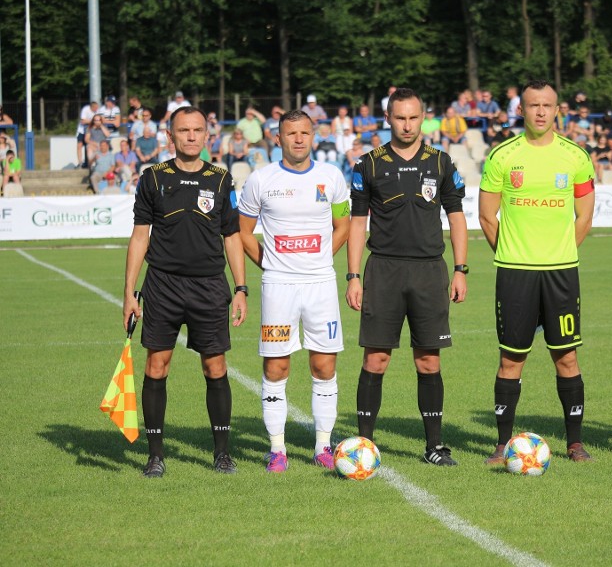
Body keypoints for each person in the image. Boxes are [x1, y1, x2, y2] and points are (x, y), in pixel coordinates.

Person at [346, 87, 467, 466]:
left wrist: (461, 269)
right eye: (400, 117)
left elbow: (457, 218)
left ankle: (434, 445)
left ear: (423, 117)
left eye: (414, 117)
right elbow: (356, 223)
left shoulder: (442, 163)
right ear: (388, 119)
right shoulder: (368, 164)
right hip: (383, 271)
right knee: (376, 359)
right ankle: (365, 445)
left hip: (430, 271)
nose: (407, 124)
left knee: (429, 361)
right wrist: (352, 275)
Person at [124, 106, 247, 478]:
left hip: (210, 285)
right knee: (156, 366)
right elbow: (139, 236)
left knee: (215, 366)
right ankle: (155, 454)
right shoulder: (153, 178)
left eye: (197, 130)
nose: (191, 136)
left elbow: (232, 237)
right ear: (170, 136)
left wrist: (240, 289)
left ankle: (222, 453)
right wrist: (129, 292)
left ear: (207, 135)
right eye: (183, 131)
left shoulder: (222, 180)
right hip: (162, 285)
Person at [479, 79, 596, 465]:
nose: (540, 112)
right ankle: (502, 444)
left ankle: (575, 444)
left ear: (558, 109)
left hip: (561, 272)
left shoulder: (576, 157)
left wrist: (558, 251)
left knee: (567, 357)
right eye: (533, 106)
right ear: (522, 110)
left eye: (547, 105)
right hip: (515, 273)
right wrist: (514, 252)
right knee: (511, 359)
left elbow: (585, 217)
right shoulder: (501, 156)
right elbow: (486, 214)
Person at [238, 109, 350, 473]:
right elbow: (243, 233)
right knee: (276, 366)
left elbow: (343, 225)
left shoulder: (331, 177)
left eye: (305, 132)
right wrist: (270, 265)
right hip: (278, 288)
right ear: (278, 139)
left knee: (324, 364)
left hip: (321, 285)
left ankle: (323, 445)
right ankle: (277, 449)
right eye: (291, 134)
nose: (298, 139)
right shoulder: (260, 180)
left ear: (313, 135)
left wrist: (319, 258)